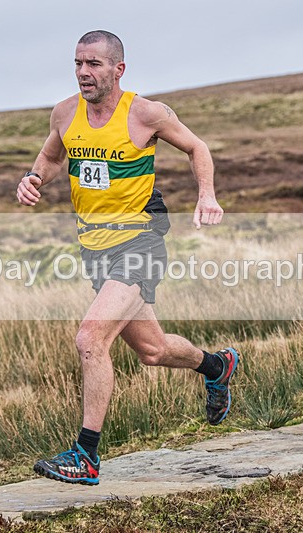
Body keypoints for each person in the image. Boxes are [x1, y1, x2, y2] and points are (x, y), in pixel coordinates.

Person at [16, 30, 240, 486]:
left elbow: (197, 147)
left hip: (141, 242)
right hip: (95, 248)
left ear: (118, 69)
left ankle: (86, 455)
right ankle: (217, 366)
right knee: (153, 351)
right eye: (78, 63)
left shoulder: (146, 113)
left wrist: (207, 194)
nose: (83, 72)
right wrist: (34, 178)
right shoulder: (64, 113)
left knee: (90, 338)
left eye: (94, 64)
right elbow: (52, 157)